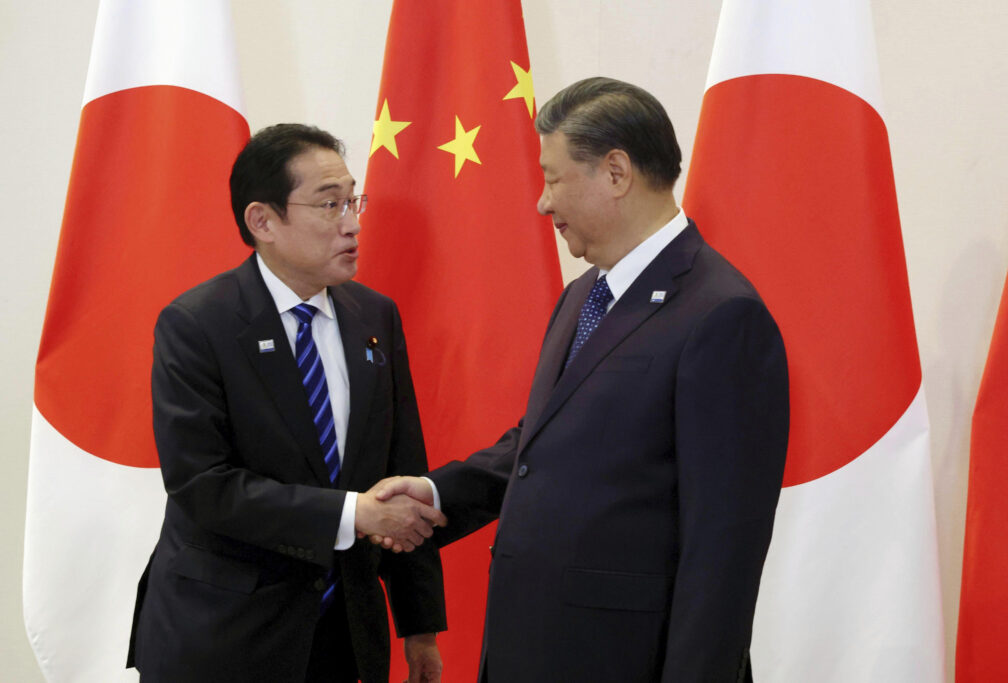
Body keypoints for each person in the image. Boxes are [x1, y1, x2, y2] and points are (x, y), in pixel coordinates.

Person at [372, 77, 790, 682]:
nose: (542, 203)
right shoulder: (583, 296)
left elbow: (723, 549)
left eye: (553, 177)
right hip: (532, 648)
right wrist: (437, 498)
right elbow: (541, 445)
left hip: (622, 660)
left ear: (615, 172)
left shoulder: (721, 313)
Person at [127, 124, 447, 683]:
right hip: (226, 636)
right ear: (263, 221)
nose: (352, 222)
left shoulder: (375, 317)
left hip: (344, 636)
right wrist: (354, 515)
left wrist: (420, 629)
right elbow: (204, 486)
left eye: (353, 200)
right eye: (330, 204)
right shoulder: (198, 325)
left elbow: (403, 470)